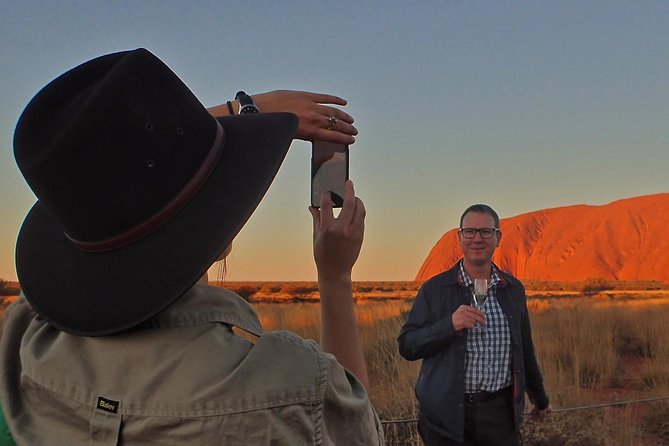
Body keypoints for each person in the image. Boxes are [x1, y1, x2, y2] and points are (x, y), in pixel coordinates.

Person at [0, 48, 383, 445]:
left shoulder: (27, 340)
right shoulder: (293, 389)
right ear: (219, 243)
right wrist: (335, 275)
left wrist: (245, 112)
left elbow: (83, 182)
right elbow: (359, 427)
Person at [398, 204, 551, 445]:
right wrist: (449, 324)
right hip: (446, 416)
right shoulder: (435, 289)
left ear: (498, 237)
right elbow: (407, 345)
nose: (477, 239)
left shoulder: (512, 290)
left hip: (499, 416)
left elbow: (524, 350)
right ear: (459, 238)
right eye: (469, 232)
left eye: (486, 232)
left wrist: (540, 399)